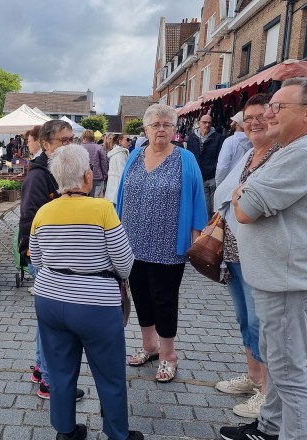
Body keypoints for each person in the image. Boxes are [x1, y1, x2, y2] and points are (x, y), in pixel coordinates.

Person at [219, 78, 307, 440]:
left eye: (278, 107)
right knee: (277, 361)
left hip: (289, 280)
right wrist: (248, 189)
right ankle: (269, 428)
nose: (270, 114)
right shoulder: (295, 148)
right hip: (280, 276)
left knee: (289, 372)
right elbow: (246, 195)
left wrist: (245, 189)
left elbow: (246, 209)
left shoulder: (305, 153)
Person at [31, 144, 142, 440]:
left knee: (60, 370)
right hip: (96, 305)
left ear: (58, 178)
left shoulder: (43, 212)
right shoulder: (102, 209)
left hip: (50, 299)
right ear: (88, 177)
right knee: (109, 374)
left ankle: (66, 431)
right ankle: (117, 433)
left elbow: (38, 260)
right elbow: (125, 263)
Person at [116, 104, 207, 382]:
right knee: (141, 297)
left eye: (167, 124)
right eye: (156, 124)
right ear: (145, 129)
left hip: (169, 244)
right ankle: (149, 347)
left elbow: (198, 198)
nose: (161, 129)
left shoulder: (185, 158)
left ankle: (169, 355)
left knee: (164, 300)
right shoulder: (134, 156)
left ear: (174, 129)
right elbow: (121, 197)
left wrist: (196, 237)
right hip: (133, 243)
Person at [212, 94, 274, 419]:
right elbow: (229, 193)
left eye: (260, 116)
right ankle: (253, 378)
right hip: (234, 252)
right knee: (242, 319)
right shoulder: (249, 154)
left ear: (274, 117)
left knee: (259, 322)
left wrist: (238, 197)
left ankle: (267, 394)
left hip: (259, 255)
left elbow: (256, 203)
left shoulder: (278, 157)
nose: (253, 122)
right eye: (248, 117)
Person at [19, 120, 85, 402]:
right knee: (54, 323)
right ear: (46, 144)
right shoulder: (39, 176)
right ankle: (49, 382)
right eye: (63, 141)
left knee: (47, 320)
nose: (69, 145)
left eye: (72, 140)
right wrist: (30, 254)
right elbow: (31, 219)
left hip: (55, 255)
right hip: (46, 257)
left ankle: (40, 368)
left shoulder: (59, 170)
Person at [186, 114, 224, 215]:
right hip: (200, 176)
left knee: (216, 205)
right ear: (199, 123)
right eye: (204, 122)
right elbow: (190, 156)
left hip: (213, 176)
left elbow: (221, 158)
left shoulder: (218, 138)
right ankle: (207, 226)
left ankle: (215, 227)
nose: (207, 125)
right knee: (205, 205)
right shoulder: (192, 137)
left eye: (209, 123)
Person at [215, 111, 252, 186]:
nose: (231, 124)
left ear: (237, 124)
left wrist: (219, 184)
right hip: (247, 184)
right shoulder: (253, 142)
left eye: (233, 121)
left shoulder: (230, 141)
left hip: (230, 184)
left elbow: (222, 167)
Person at [80, 130, 108, 197]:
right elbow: (104, 163)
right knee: (95, 197)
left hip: (82, 177)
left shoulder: (79, 148)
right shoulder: (99, 148)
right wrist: (104, 175)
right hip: (97, 176)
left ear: (84, 137)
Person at [105, 134, 130, 205]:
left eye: (130, 140)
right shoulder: (120, 154)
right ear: (120, 141)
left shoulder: (117, 152)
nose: (129, 142)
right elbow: (123, 172)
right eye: (127, 140)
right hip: (116, 187)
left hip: (112, 187)